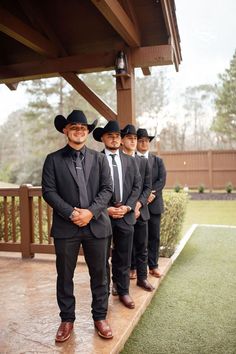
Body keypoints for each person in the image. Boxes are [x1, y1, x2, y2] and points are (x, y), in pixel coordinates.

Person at [42, 110, 114, 342]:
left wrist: (90, 212)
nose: (79, 131)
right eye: (74, 127)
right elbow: (49, 192)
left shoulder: (100, 158)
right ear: (66, 131)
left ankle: (100, 317)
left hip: (97, 226)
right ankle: (67, 320)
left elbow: (107, 190)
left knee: (100, 274)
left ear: (87, 132)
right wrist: (73, 213)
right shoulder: (53, 159)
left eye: (83, 128)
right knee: (64, 275)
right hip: (67, 227)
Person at [93, 121, 141, 309]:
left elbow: (137, 186)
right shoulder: (94, 159)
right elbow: (90, 189)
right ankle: (104, 293)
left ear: (121, 140)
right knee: (102, 256)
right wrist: (105, 209)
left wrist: (128, 207)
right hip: (102, 216)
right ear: (103, 138)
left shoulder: (130, 160)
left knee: (123, 255)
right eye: (110, 135)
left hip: (125, 215)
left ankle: (123, 291)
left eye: (117, 136)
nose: (114, 138)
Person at [121, 124, 154, 292]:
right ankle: (119, 285)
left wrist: (138, 205)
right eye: (130, 138)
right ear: (122, 140)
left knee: (142, 248)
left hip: (141, 211)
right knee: (121, 251)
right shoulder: (117, 160)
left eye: (135, 138)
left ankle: (142, 278)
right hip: (121, 214)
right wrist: (126, 207)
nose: (133, 141)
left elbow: (147, 187)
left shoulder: (143, 162)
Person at [136, 128, 166, 278]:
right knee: (138, 238)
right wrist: (142, 197)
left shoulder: (157, 161)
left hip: (154, 204)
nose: (144, 143)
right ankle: (133, 267)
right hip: (138, 205)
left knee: (154, 236)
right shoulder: (131, 159)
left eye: (146, 141)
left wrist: (150, 194)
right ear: (136, 142)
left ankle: (153, 266)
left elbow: (161, 180)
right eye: (140, 140)